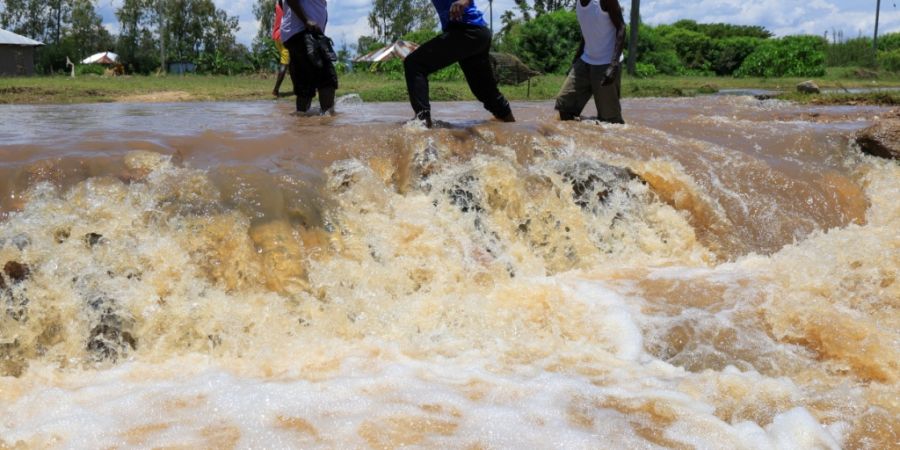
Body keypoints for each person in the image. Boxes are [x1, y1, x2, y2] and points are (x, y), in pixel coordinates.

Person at [403, 0, 515, 128]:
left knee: (414, 63)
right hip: (477, 34)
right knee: (485, 92)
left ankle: (422, 123)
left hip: (466, 30)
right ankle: (515, 129)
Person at [555, 0, 626, 124]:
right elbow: (586, 35)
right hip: (585, 61)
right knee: (564, 105)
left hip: (607, 63)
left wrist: (613, 64)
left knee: (610, 122)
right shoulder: (578, 4)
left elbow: (621, 27)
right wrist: (575, 62)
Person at [282, 0, 337, 114]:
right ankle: (327, 122)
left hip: (305, 33)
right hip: (303, 32)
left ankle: (302, 121)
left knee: (305, 85)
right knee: (327, 80)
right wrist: (306, 20)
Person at [271, 0, 291, 97]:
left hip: (276, 37)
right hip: (284, 37)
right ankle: (275, 90)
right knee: (285, 64)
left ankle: (298, 87)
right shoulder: (289, 8)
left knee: (292, 62)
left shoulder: (277, 6)